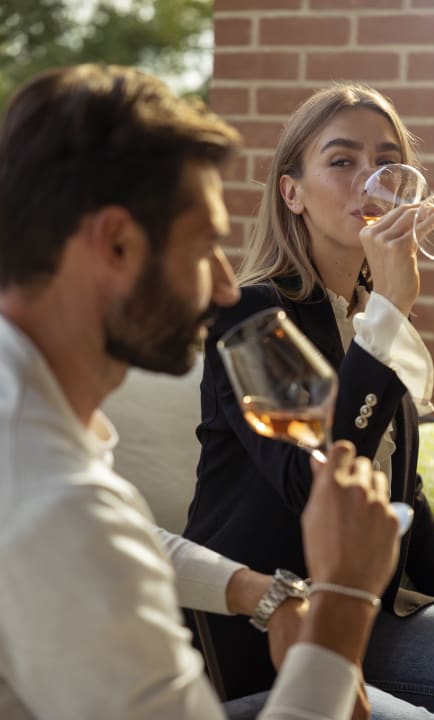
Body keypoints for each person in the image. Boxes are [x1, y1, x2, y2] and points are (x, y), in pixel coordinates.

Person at [0, 64, 404, 720]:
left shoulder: (29, 419)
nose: (222, 287)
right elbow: (85, 529)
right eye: (206, 245)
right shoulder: (52, 502)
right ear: (117, 244)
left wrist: (259, 592)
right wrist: (345, 600)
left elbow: (123, 532)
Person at [184, 83, 434, 717]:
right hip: (277, 626)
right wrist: (391, 309)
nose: (370, 180)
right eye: (342, 160)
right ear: (292, 193)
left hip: (377, 611)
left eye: (386, 163)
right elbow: (315, 479)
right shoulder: (252, 315)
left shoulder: (373, 317)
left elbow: (401, 493)